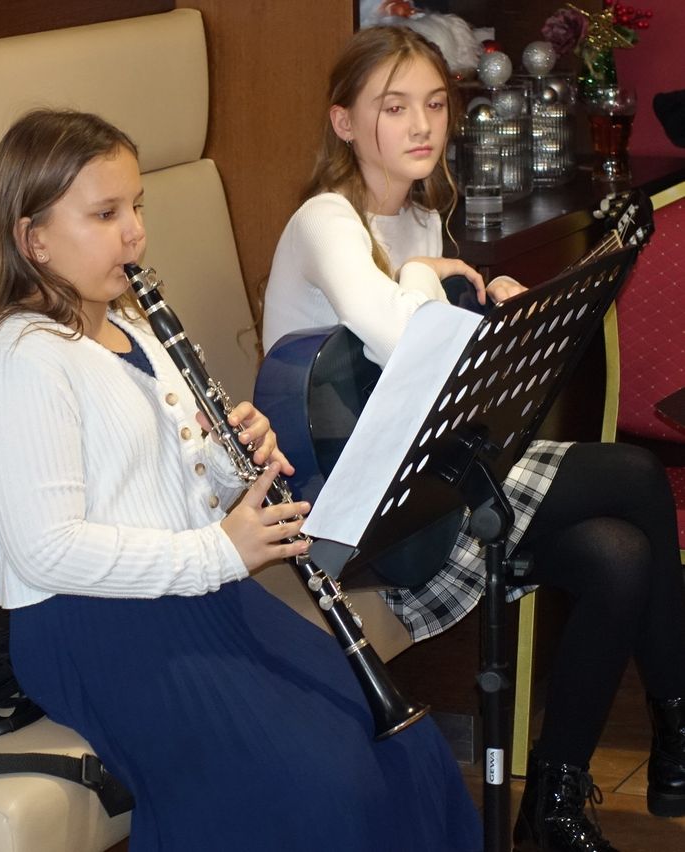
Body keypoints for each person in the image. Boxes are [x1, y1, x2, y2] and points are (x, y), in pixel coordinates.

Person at [0, 108, 483, 852]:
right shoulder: (21, 361)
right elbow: (47, 550)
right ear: (33, 239)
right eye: (105, 214)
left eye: (136, 207)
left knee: (403, 744)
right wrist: (222, 552)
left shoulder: (128, 323)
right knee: (319, 784)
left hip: (197, 594)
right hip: (94, 626)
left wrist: (235, 462)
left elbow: (175, 489)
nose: (133, 232)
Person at [261, 25, 685, 852]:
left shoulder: (421, 215)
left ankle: (554, 802)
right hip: (356, 510)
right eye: (394, 107)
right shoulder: (327, 220)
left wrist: (493, 313)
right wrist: (430, 284)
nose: (423, 125)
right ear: (344, 122)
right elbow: (398, 336)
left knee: (618, 557)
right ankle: (678, 735)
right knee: (633, 476)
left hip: (423, 477)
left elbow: (440, 372)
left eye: (434, 104)